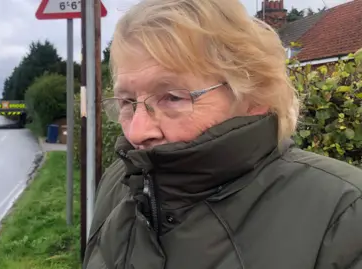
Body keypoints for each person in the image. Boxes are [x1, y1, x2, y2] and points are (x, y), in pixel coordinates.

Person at [83, 0, 362, 268]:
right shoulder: (119, 181)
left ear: (253, 96)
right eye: (127, 102)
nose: (137, 131)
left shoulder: (345, 213)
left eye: (172, 97)